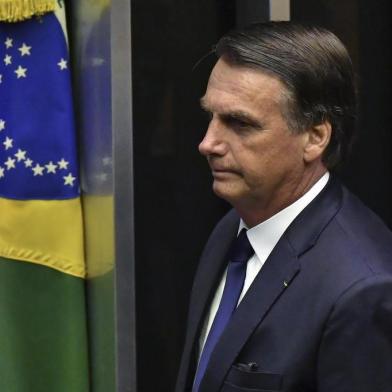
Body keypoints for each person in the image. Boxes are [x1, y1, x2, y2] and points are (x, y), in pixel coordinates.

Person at [175, 22, 392, 392]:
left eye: (239, 123)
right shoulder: (233, 228)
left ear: (315, 137)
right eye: (210, 116)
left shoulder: (363, 289)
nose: (208, 143)